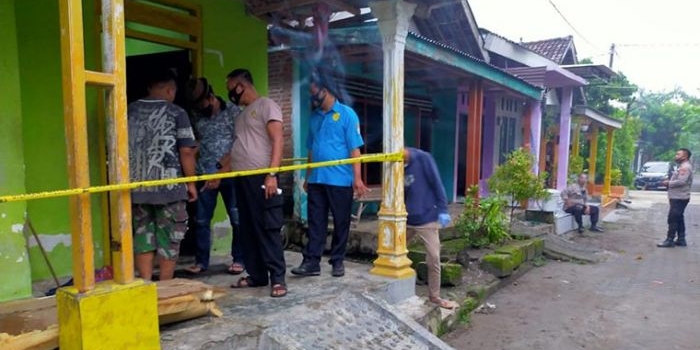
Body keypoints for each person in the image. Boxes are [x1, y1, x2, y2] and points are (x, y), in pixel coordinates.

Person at [291, 71, 368, 278]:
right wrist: (307, 178)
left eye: (314, 90)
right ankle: (311, 262)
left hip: (340, 180)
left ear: (326, 90)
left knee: (341, 221)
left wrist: (357, 179)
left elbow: (355, 150)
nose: (312, 94)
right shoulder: (315, 118)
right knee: (315, 221)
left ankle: (337, 261)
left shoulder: (347, 114)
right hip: (317, 179)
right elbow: (310, 150)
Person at [127, 69, 197, 281]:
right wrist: (191, 183)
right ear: (170, 89)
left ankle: (146, 284)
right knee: (170, 238)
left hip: (137, 190)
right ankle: (166, 286)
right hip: (170, 190)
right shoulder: (177, 113)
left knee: (143, 236)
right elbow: (186, 151)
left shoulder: (128, 111)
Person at [226, 68, 287, 297]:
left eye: (231, 87)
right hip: (241, 179)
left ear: (242, 85)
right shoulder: (241, 115)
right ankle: (257, 275)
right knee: (248, 229)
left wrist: (272, 174)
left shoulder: (266, 105)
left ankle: (278, 279)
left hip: (262, 177)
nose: (230, 93)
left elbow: (278, 139)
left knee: (267, 227)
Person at [183, 77, 245, 274]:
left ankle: (239, 259)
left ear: (210, 97)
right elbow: (196, 143)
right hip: (204, 174)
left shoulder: (233, 112)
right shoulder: (195, 114)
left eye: (202, 104)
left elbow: (239, 144)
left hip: (230, 173)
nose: (200, 109)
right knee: (201, 220)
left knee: (237, 218)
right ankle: (201, 262)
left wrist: (220, 172)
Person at [403, 147, 459, 309]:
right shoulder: (396, 164)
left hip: (427, 218)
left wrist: (443, 210)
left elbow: (437, 184)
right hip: (405, 218)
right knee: (391, 252)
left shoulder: (423, 158)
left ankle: (434, 296)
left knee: (433, 257)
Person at [657, 148, 693, 248]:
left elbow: (682, 181)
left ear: (685, 156)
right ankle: (681, 239)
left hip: (679, 197)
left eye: (678, 154)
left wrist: (668, 183)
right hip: (679, 196)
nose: (676, 156)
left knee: (672, 219)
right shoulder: (683, 166)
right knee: (679, 218)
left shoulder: (685, 167)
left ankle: (670, 240)